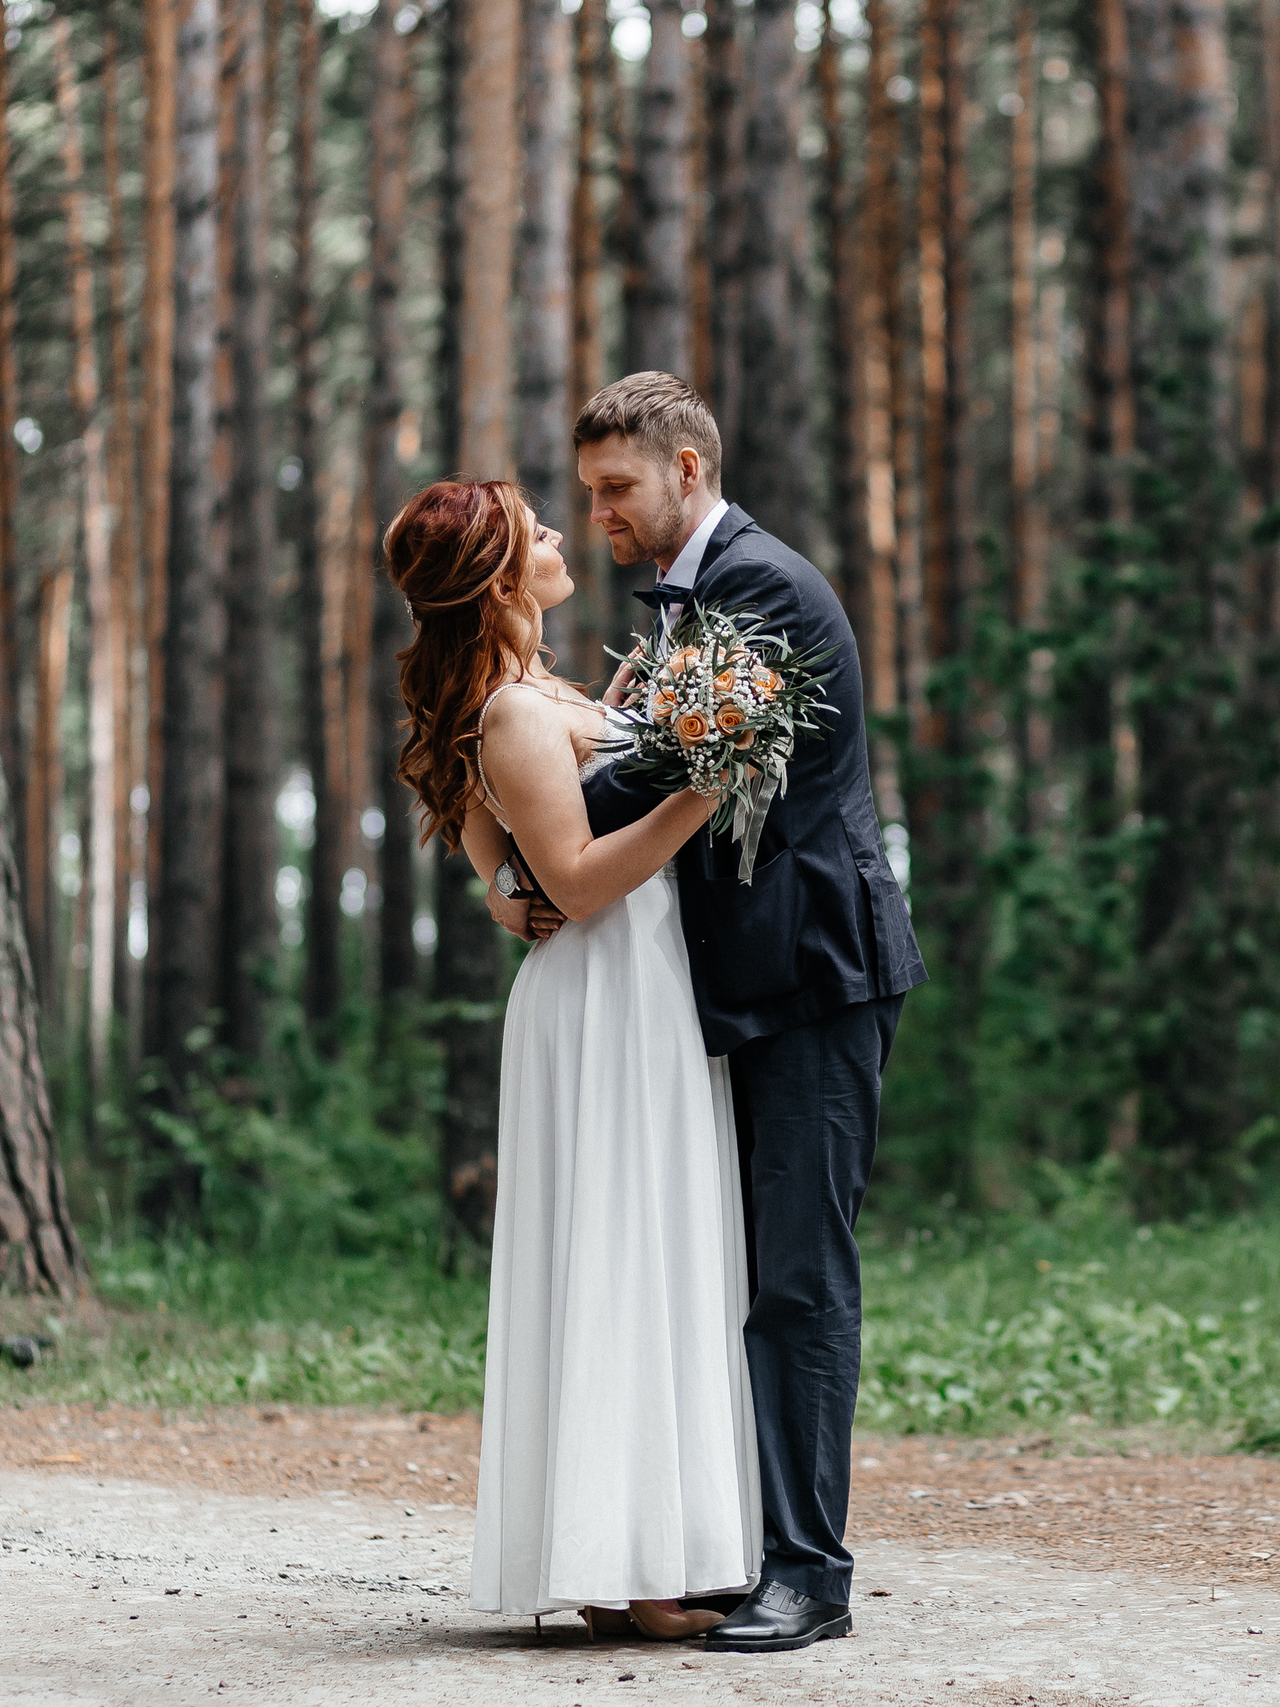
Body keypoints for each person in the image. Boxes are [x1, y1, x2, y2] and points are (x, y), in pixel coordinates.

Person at [491, 371, 925, 1653]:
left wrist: (537, 860)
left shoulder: (762, 591)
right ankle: (738, 1548)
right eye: (590, 497)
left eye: (617, 490)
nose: (603, 515)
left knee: (796, 1279)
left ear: (687, 471)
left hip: (815, 975)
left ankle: (810, 1574)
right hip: (733, 986)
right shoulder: (696, 602)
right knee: (739, 1273)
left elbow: (667, 784)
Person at [388, 477, 755, 1641]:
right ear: (500, 574)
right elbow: (583, 884)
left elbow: (517, 856)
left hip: (643, 988)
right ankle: (634, 1579)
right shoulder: (507, 710)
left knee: (653, 1251)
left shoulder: (541, 693)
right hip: (602, 996)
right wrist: (709, 781)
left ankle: (633, 1550)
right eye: (535, 528)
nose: (557, 535)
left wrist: (506, 884)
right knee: (617, 1254)